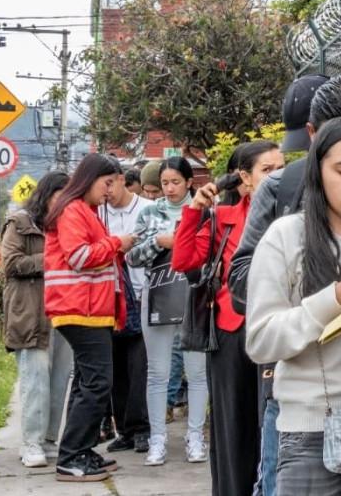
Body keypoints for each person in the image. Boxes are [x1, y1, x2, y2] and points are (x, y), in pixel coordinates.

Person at [225, 74, 341, 496]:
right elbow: (261, 339)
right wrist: (333, 300)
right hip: (311, 428)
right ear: (316, 170)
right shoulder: (286, 236)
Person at [173, 141, 284, 496]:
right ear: (244, 179)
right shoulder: (223, 218)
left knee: (273, 425)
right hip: (231, 331)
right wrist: (195, 209)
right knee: (233, 424)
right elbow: (184, 260)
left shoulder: (292, 215)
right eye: (267, 170)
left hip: (276, 330)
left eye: (281, 167)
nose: (278, 175)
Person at [43, 154, 137, 482]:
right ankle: (71, 456)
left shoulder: (84, 210)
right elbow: (81, 257)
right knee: (98, 383)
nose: (110, 191)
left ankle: (79, 450)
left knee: (89, 382)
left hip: (87, 309)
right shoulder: (73, 210)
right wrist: (117, 243)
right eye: (106, 183)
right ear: (90, 179)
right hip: (78, 309)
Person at [126, 157, 209, 466]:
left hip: (193, 295)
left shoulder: (204, 212)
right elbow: (132, 256)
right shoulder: (150, 212)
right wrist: (159, 242)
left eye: (176, 182)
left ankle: (195, 436)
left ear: (190, 182)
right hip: (158, 295)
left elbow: (211, 253)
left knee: (197, 372)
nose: (170, 188)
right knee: (157, 372)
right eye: (165, 183)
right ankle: (157, 438)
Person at [2, 171, 73, 468]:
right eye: (61, 194)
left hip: (64, 310)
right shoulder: (19, 223)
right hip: (30, 312)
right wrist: (53, 258)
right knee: (35, 381)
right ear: (47, 194)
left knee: (59, 379)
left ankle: (47, 440)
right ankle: (30, 443)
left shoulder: (67, 224)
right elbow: (12, 263)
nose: (65, 201)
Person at [100, 166, 151, 454]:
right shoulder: (99, 213)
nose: (106, 191)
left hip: (142, 297)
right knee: (116, 368)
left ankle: (142, 428)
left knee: (139, 367)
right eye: (101, 185)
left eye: (109, 183)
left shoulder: (148, 209)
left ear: (122, 180)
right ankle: (124, 430)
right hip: (111, 299)